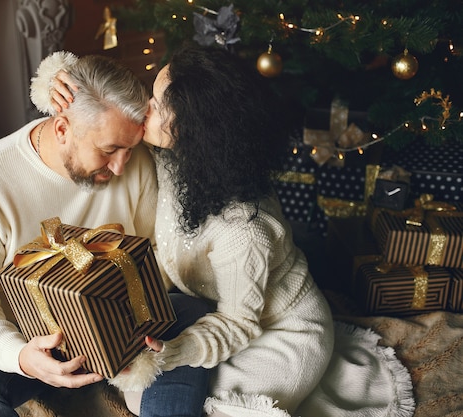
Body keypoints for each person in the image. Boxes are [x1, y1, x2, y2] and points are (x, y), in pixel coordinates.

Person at [50, 45, 415, 417]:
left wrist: (172, 353)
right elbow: (99, 112)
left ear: (193, 128)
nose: (145, 107)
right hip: (208, 311)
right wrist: (58, 78)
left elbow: (239, 324)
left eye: (158, 105)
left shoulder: (244, 229)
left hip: (279, 334)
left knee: (208, 404)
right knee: (142, 390)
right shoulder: (174, 155)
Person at [0, 51, 211, 417]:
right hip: (32, 334)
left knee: (192, 313)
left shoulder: (136, 163)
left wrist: (118, 320)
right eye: (108, 150)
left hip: (127, 324)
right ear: (62, 128)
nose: (119, 167)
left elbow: (157, 255)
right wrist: (19, 355)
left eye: (128, 149)